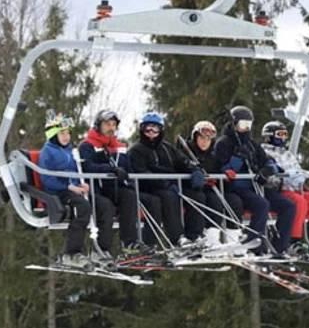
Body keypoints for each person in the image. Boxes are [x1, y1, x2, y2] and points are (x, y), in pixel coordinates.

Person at [215, 105, 296, 257]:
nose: (246, 128)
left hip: (255, 186)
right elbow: (224, 169)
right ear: (234, 124)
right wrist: (238, 158)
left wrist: (267, 170)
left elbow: (268, 162)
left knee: (288, 205)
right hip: (236, 188)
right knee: (261, 204)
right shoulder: (223, 143)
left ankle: (279, 247)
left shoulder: (252, 144)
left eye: (249, 125)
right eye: (242, 124)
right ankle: (254, 244)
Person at [37, 110, 115, 266]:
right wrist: (68, 186)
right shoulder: (48, 152)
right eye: (62, 133)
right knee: (82, 207)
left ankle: (100, 250)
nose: (66, 137)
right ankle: (70, 252)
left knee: (105, 206)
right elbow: (46, 178)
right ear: (53, 135)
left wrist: (81, 183)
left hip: (74, 190)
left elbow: (76, 171)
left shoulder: (69, 151)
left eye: (68, 133)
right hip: (58, 193)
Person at [260, 121, 309, 262]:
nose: (283, 138)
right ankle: (294, 241)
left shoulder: (287, 154)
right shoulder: (264, 153)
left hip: (295, 189)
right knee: (299, 202)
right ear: (269, 136)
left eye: (284, 134)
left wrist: (300, 176)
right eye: (279, 134)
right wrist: (283, 178)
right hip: (277, 190)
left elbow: (296, 169)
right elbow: (266, 175)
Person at [77, 110, 153, 256]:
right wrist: (110, 169)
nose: (111, 128)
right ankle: (101, 250)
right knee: (106, 206)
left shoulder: (120, 147)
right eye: (107, 124)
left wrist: (129, 180)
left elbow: (128, 169)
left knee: (130, 196)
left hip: (115, 188)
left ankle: (130, 243)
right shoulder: (87, 145)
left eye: (113, 125)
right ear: (98, 126)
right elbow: (87, 167)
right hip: (97, 188)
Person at [127, 112, 208, 248]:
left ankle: (194, 235)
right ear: (141, 129)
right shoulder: (136, 150)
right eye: (147, 128)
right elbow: (142, 173)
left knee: (196, 195)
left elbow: (182, 161)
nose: (151, 132)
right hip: (150, 188)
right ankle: (177, 239)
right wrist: (165, 184)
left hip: (170, 185)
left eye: (155, 128)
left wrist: (195, 170)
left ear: (161, 130)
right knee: (169, 197)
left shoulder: (166, 147)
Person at [184, 120, 244, 247]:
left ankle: (231, 238)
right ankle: (201, 237)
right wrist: (194, 175)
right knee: (207, 199)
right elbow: (181, 168)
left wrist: (223, 176)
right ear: (195, 137)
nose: (204, 142)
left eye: (208, 139)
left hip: (210, 190)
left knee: (233, 200)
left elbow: (218, 171)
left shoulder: (213, 156)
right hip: (191, 190)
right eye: (202, 138)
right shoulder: (185, 153)